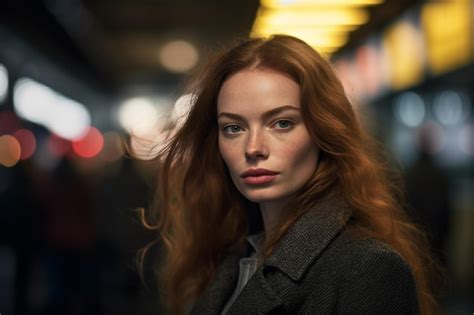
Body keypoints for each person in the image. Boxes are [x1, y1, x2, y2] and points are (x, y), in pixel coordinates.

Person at [139, 35, 441, 314]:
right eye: (233, 128)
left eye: (281, 123)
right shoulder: (229, 257)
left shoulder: (368, 268)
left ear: (324, 131)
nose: (253, 148)